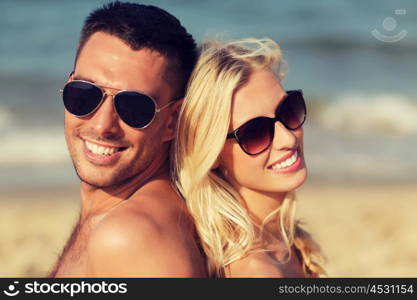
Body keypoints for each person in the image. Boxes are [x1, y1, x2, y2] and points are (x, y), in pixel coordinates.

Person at [49, 1, 206, 277]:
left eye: (134, 107)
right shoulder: (119, 217)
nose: (102, 125)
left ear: (172, 120)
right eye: (85, 93)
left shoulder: (131, 237)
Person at [174, 38, 326, 277]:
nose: (287, 139)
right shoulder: (257, 269)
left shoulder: (284, 240)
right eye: (255, 133)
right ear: (211, 155)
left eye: (289, 110)